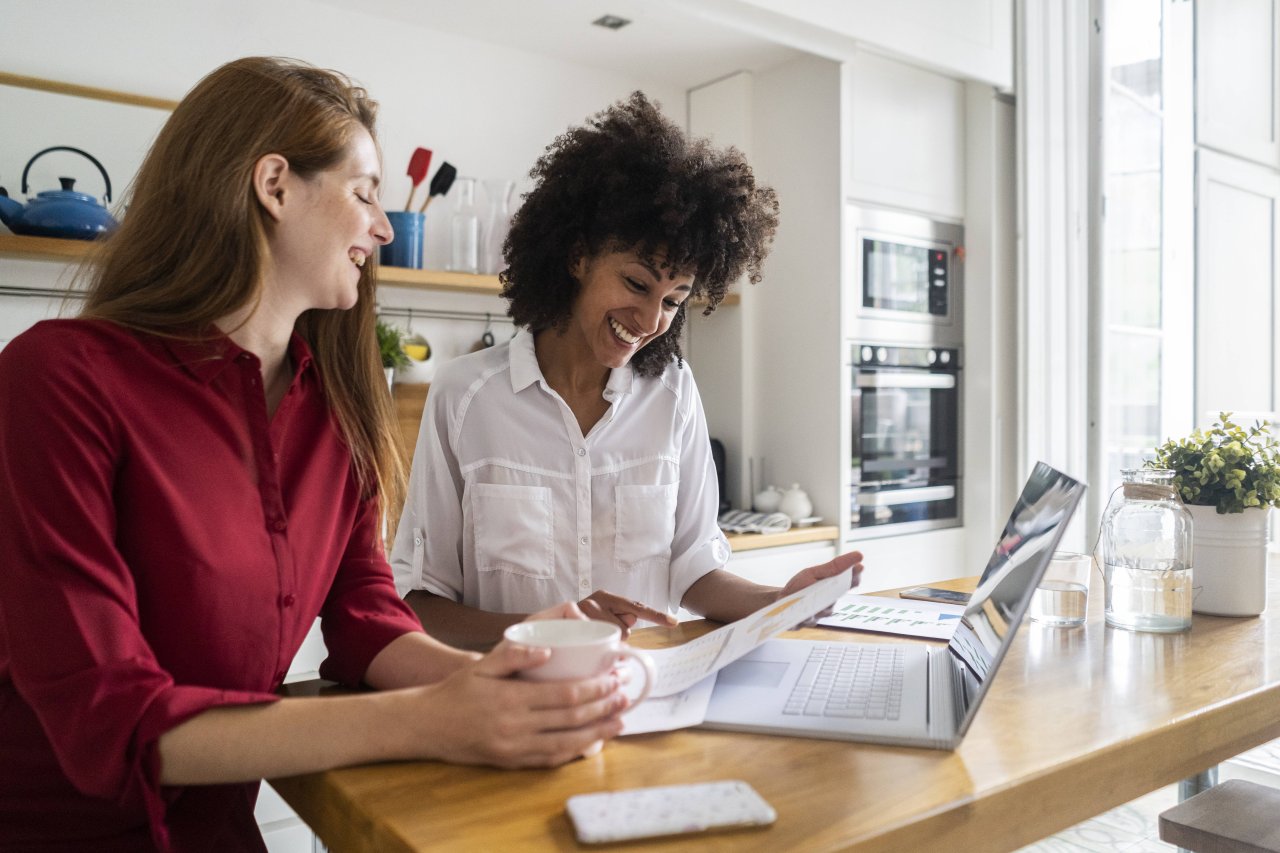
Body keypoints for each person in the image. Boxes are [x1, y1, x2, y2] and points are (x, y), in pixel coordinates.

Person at [0, 57, 628, 852]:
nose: (384, 225)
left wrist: (506, 675)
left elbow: (367, 620)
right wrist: (426, 719)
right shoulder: (58, 376)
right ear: (274, 184)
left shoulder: (335, 409)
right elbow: (110, 720)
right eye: (365, 191)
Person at [390, 92, 864, 649]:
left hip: (647, 697)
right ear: (577, 257)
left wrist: (780, 599)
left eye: (673, 300)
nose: (648, 319)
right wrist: (546, 633)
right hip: (511, 705)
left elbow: (693, 568)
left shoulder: (673, 394)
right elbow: (421, 605)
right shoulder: (465, 397)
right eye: (637, 284)